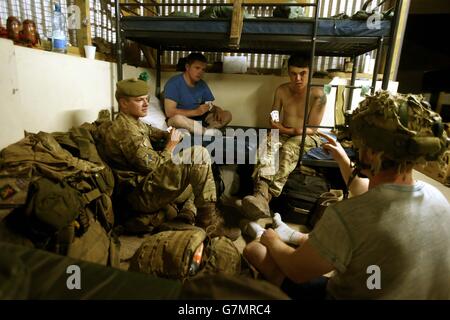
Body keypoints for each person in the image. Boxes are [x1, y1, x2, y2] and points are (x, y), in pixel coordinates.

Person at [243, 91, 450, 299]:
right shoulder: (438, 198)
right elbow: (375, 195)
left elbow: (296, 271)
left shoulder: (349, 215)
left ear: (370, 153)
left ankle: (278, 237)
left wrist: (271, 240)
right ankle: (294, 236)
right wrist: (343, 158)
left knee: (255, 250)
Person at [95, 78, 239, 240]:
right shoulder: (124, 132)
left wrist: (169, 135)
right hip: (139, 194)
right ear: (124, 103)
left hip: (147, 184)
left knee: (197, 171)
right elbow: (155, 166)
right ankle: (208, 224)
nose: (145, 104)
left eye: (146, 99)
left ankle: (186, 215)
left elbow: (153, 132)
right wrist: (170, 146)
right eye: (139, 100)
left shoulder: (134, 123)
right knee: (198, 155)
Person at [241, 54, 327, 220]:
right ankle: (261, 192)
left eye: (303, 73)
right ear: (288, 72)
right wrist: (274, 122)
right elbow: (274, 113)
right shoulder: (282, 90)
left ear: (310, 73)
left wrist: (286, 130)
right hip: (284, 131)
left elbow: (312, 129)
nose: (298, 78)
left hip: (306, 135)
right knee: (268, 143)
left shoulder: (318, 95)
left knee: (287, 150)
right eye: (294, 73)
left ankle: (267, 198)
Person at [163, 52, 232, 135]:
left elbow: (209, 106)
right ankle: (205, 132)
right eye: (197, 68)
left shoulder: (202, 84)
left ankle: (208, 130)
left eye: (203, 69)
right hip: (183, 119)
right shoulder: (173, 83)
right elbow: (169, 112)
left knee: (227, 115)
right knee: (177, 120)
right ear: (187, 67)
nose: (200, 72)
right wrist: (196, 112)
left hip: (201, 119)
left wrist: (217, 110)